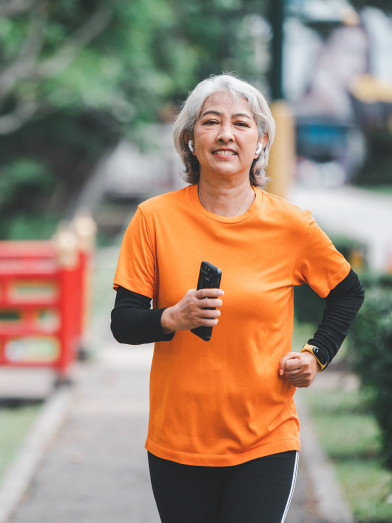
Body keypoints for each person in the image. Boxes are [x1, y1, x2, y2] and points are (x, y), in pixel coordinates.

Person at [111, 74, 364, 523]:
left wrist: (316, 354)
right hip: (178, 442)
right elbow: (124, 322)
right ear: (190, 138)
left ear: (261, 140)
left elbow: (347, 291)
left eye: (241, 124)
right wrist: (172, 316)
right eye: (211, 122)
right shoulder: (154, 219)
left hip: (265, 439)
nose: (226, 133)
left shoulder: (291, 225)